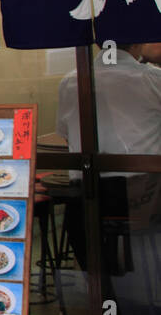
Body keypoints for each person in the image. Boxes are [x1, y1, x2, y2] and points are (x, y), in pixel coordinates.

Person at [55, 43, 161, 279]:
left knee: (85, 235)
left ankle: (104, 298)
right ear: (138, 43)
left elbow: (65, 135)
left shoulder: (72, 81)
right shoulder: (153, 79)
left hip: (86, 200)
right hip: (142, 199)